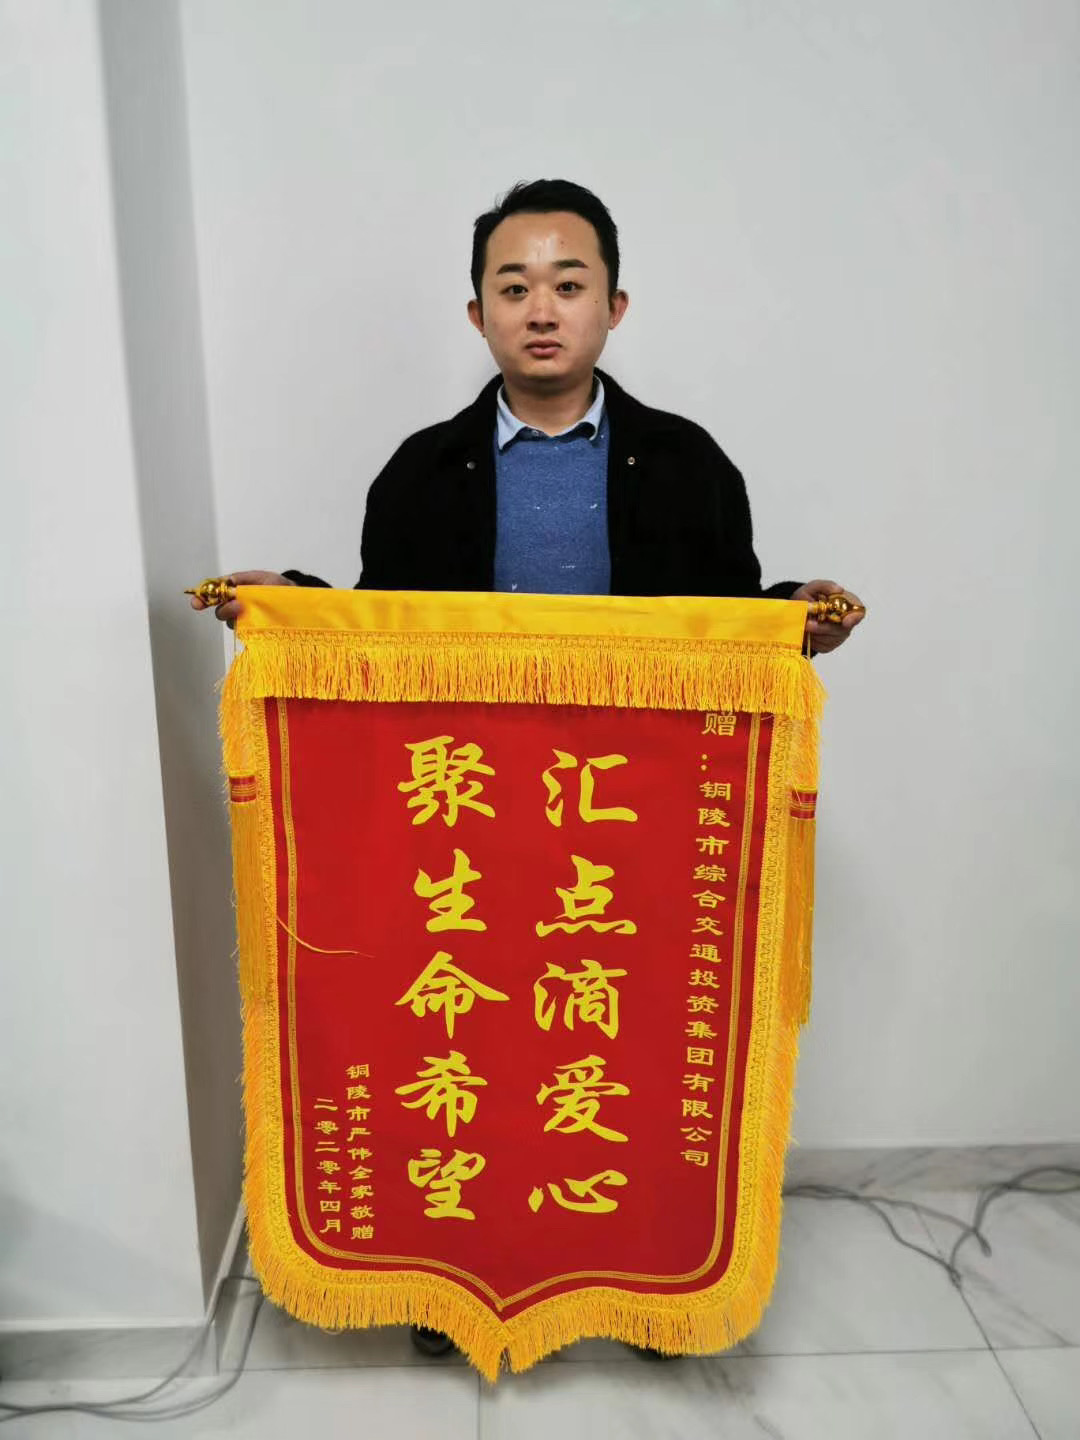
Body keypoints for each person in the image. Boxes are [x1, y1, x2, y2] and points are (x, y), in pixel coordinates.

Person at [194, 179, 865, 1356]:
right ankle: (452, 1274)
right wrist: (287, 606)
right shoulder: (421, 471)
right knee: (467, 1052)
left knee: (626, 1051)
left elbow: (726, 628)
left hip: (631, 838)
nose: (541, 309)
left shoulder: (689, 465)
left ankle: (643, 1284)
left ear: (615, 306)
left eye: (568, 284)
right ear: (477, 314)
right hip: (469, 833)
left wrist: (794, 616)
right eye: (514, 287)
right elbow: (383, 638)